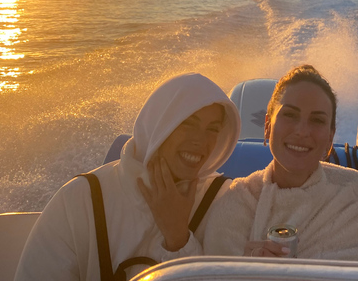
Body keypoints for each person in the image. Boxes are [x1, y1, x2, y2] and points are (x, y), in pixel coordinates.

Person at [16, 73, 241, 281]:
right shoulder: (80, 199)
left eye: (212, 129)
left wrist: (178, 238)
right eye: (186, 124)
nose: (200, 141)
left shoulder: (225, 202)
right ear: (158, 124)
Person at [203, 65, 358, 261]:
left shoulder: (354, 194)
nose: (301, 131)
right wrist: (245, 271)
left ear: (330, 138)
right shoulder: (235, 205)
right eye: (290, 115)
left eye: (317, 120)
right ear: (267, 127)